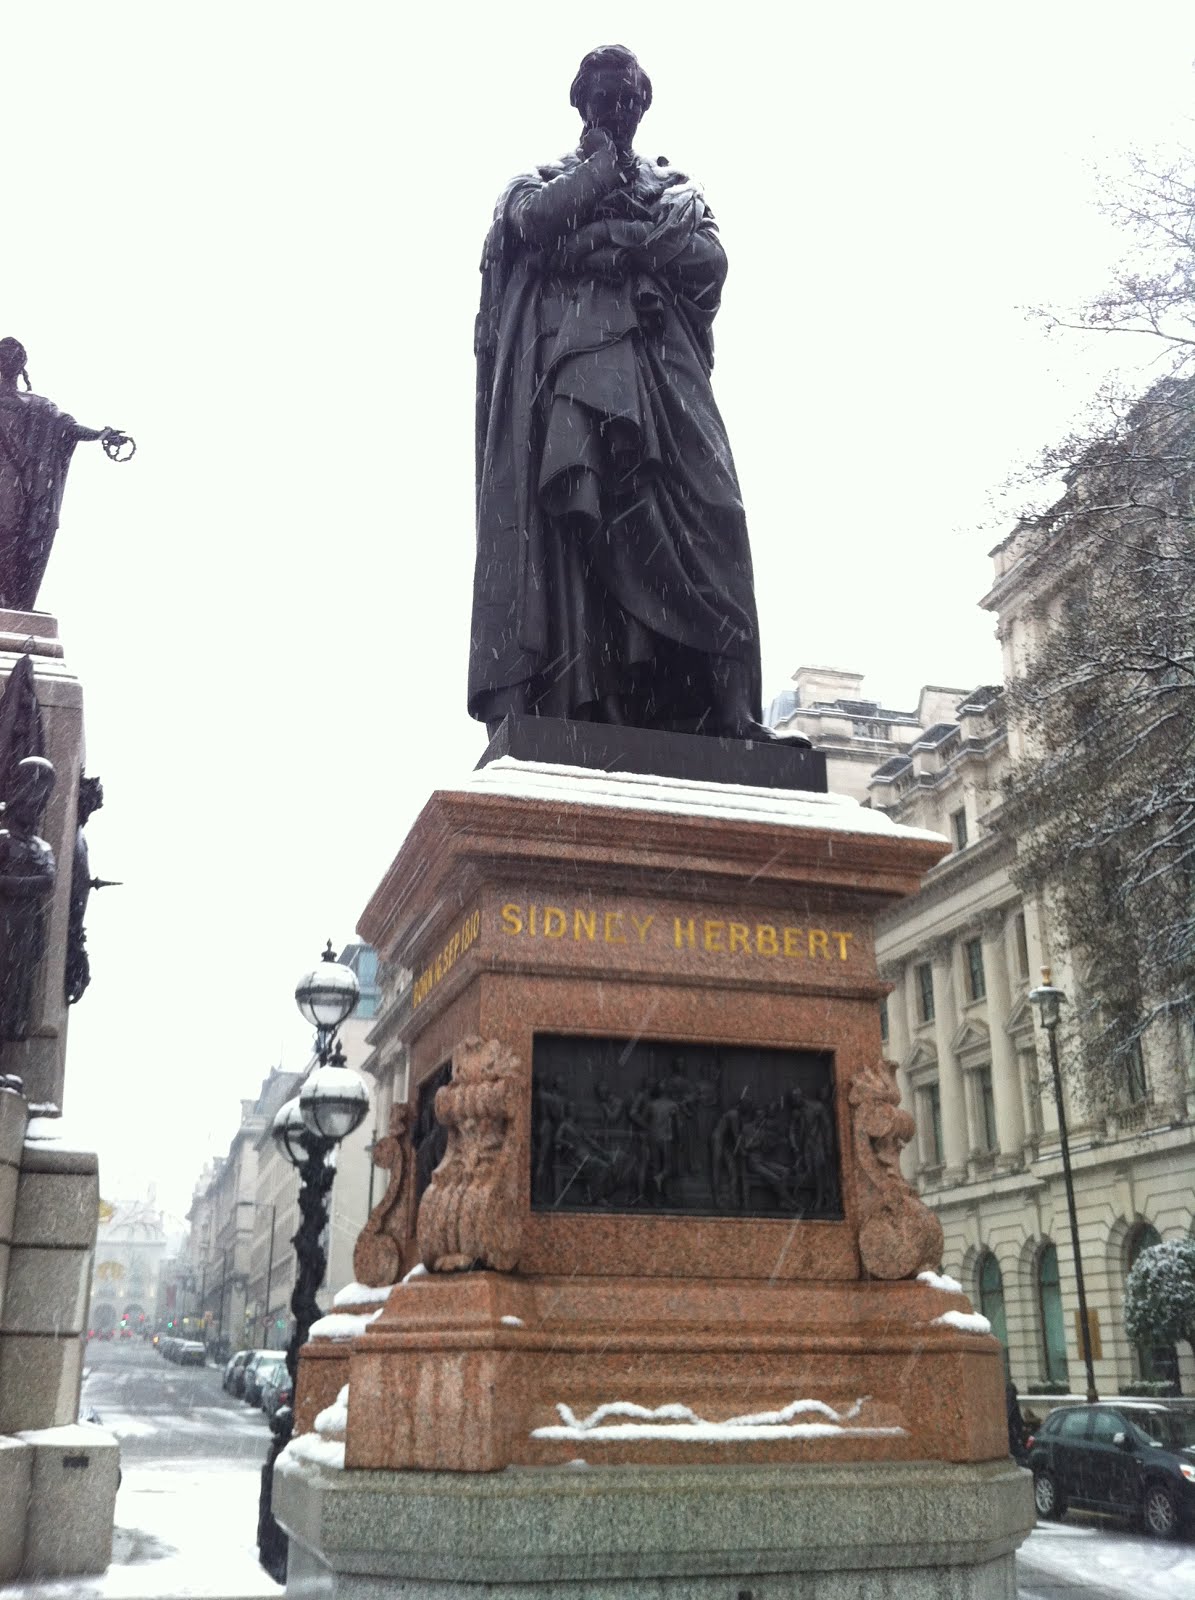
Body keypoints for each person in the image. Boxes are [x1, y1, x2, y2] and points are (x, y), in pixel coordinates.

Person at [470, 46, 794, 742]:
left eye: (627, 99)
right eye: (603, 98)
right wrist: (602, 176)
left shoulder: (676, 190)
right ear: (580, 104)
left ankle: (729, 710)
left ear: (642, 106)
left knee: (716, 510)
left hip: (663, 367)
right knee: (585, 528)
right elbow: (533, 222)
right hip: (577, 368)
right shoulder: (538, 178)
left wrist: (614, 236)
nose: (616, 110)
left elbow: (710, 260)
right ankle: (597, 701)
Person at [0, 337, 133, 612]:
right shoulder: (36, 406)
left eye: (12, 359)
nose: (9, 364)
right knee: (10, 532)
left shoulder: (38, 406)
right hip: (11, 479)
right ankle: (9, 600)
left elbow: (67, 428)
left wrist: (100, 434)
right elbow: (66, 428)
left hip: (19, 483)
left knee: (16, 534)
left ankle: (10, 600)